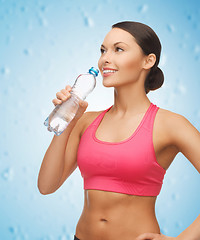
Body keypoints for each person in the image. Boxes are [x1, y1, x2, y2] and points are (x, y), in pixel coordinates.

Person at [38, 21, 200, 240]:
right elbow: (46, 185)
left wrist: (184, 239)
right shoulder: (86, 121)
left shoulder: (170, 124)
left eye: (119, 49)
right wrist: (67, 119)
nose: (105, 58)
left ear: (148, 61)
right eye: (103, 50)